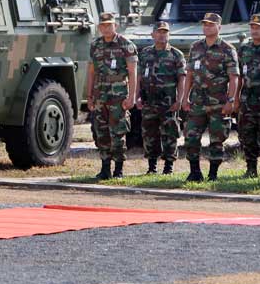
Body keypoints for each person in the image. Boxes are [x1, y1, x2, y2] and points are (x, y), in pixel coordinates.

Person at [181, 12, 239, 182]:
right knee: (191, 136)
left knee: (216, 139)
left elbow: (234, 77)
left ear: (219, 27)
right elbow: (189, 74)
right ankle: (194, 172)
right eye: (205, 24)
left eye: (211, 24)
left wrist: (231, 100)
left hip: (218, 102)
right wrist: (185, 97)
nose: (207, 27)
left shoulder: (228, 49)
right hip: (197, 101)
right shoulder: (196, 47)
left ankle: (213, 174)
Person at [87, 12, 138, 180]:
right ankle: (105, 168)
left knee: (118, 131)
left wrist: (131, 96)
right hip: (100, 93)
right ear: (99, 27)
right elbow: (92, 71)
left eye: (109, 25)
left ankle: (119, 169)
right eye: (103, 25)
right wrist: (89, 95)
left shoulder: (125, 45)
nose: (106, 28)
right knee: (100, 131)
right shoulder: (95, 45)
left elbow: (132, 73)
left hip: (118, 95)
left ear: (115, 26)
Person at [137, 21, 186, 175]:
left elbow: (182, 78)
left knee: (170, 134)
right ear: (152, 35)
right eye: (159, 32)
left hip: (168, 102)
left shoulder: (176, 54)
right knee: (149, 134)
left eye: (165, 32)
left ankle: (168, 167)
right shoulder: (145, 53)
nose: (162, 35)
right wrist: (137, 96)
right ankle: (152, 167)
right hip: (149, 100)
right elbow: (138, 76)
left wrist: (179, 99)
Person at [237, 13, 260, 177]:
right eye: (252, 27)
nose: (254, 31)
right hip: (247, 100)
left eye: (258, 28)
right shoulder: (244, 49)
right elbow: (238, 76)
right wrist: (236, 98)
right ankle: (251, 168)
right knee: (248, 136)